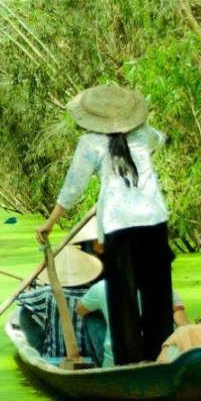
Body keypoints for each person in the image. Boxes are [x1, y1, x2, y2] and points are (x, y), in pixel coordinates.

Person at [36, 84, 173, 365]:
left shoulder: (90, 143)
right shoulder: (144, 133)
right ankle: (161, 357)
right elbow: (163, 140)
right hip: (154, 219)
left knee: (122, 301)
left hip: (119, 226)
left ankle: (131, 365)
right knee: (158, 295)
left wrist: (50, 224)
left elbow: (73, 188)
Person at [75, 280, 189, 367]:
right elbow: (182, 322)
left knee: (90, 315)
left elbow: (79, 310)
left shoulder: (102, 286)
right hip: (161, 359)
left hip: (115, 362)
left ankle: (97, 363)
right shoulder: (164, 286)